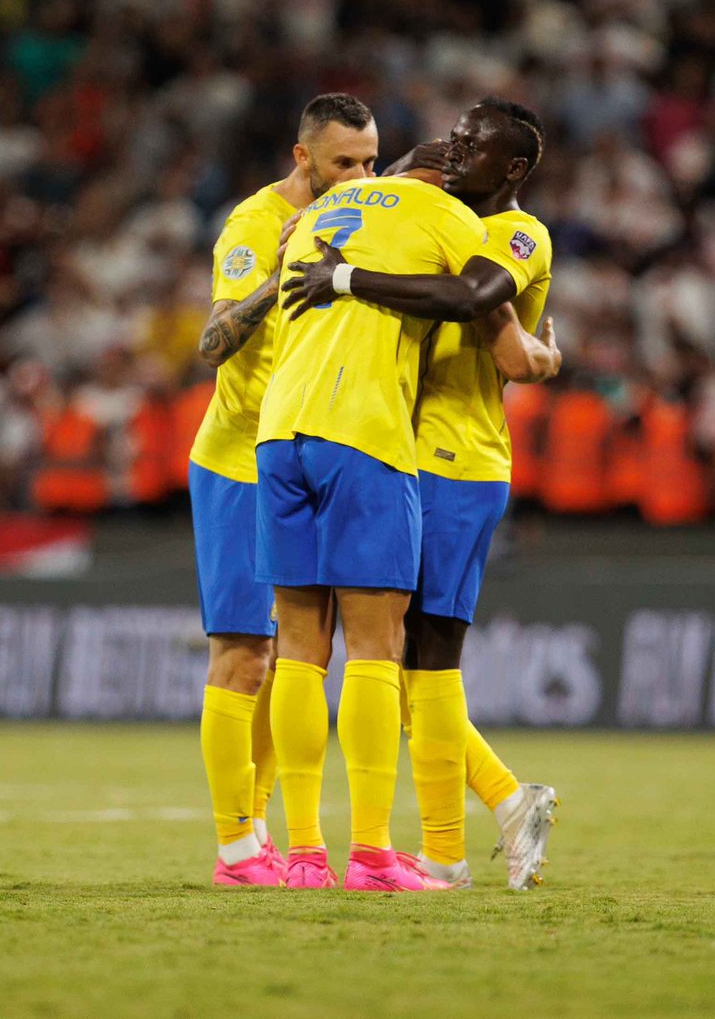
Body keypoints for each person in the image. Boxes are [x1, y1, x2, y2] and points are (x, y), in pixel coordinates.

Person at [284, 97, 561, 889]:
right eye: (458, 135)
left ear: (512, 170)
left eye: (476, 144)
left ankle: (462, 836)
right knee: (402, 661)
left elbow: (480, 313)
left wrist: (342, 277)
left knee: (424, 658)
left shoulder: (513, 234)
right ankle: (485, 821)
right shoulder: (434, 222)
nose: (456, 148)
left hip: (455, 458)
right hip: (393, 451)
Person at [190, 93, 378, 888]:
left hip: (302, 460)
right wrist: (279, 280)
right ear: (303, 158)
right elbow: (212, 341)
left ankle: (259, 828)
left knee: (286, 660)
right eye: (345, 164)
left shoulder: (363, 219)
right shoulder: (253, 225)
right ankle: (236, 845)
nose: (360, 177)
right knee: (242, 654)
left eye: (370, 162)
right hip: (239, 460)